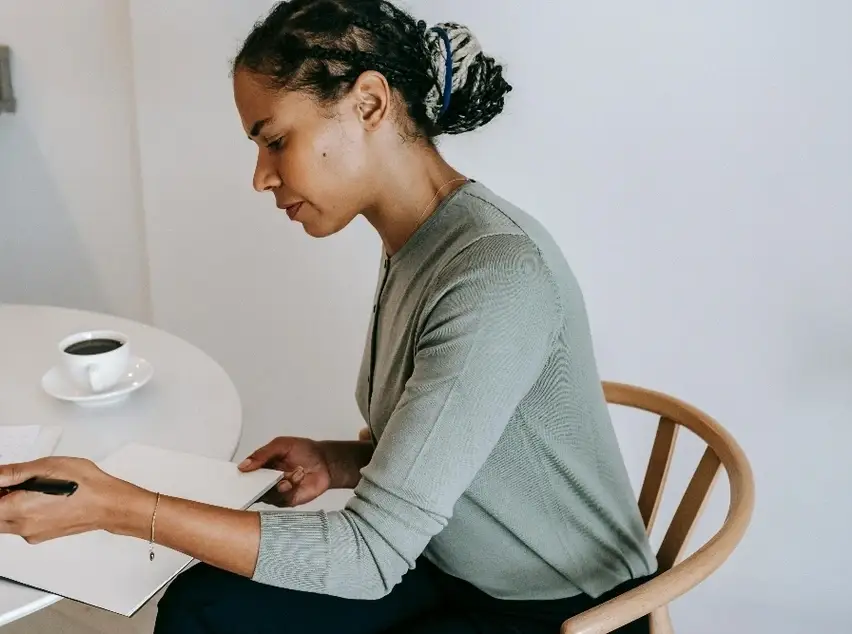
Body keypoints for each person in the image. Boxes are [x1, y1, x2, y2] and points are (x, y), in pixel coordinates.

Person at [0, 1, 658, 632]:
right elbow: (448, 446)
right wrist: (339, 461)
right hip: (454, 560)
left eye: (275, 140)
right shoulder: (418, 243)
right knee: (204, 606)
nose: (261, 176)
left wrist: (120, 509)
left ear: (368, 103)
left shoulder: (493, 275)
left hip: (565, 608)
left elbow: (367, 556)